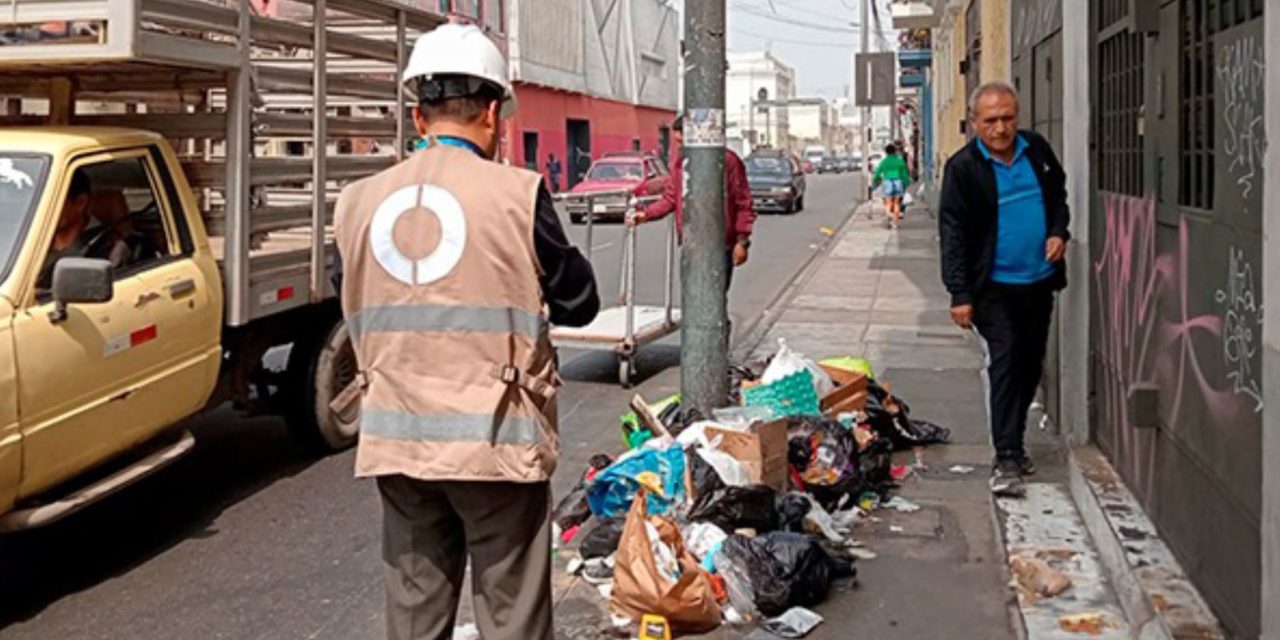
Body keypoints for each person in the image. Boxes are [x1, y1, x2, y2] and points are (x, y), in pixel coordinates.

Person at [332, 24, 599, 640]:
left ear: (417, 117)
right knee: (513, 614)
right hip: (495, 443)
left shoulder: (359, 201)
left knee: (415, 614)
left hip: (396, 441)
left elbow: (355, 290)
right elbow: (580, 303)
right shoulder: (516, 194)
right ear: (495, 114)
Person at [938, 81, 1070, 497]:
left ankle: (1015, 442)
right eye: (991, 120)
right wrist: (959, 293)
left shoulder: (1036, 150)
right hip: (992, 287)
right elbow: (953, 234)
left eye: (1008, 118)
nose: (1000, 128)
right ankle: (1007, 455)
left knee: (1031, 363)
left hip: (1038, 281)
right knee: (1007, 361)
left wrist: (1057, 231)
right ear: (975, 123)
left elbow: (1058, 197)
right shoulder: (963, 168)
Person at [629, 114, 756, 291]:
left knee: (715, 298)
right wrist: (646, 215)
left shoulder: (728, 161)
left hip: (721, 245)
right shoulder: (681, 164)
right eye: (677, 142)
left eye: (682, 142)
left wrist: (742, 242)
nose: (679, 147)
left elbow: (743, 202)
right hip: (691, 243)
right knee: (691, 297)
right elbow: (671, 198)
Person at [37, 171, 129, 290]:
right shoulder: (30, 242)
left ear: (81, 203)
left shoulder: (108, 249)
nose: (42, 210)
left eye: (52, 203)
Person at [871, 143, 911, 229]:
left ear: (886, 152)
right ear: (895, 151)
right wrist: (906, 183)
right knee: (897, 203)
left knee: (888, 202)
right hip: (898, 181)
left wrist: (874, 180)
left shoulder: (885, 161)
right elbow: (904, 173)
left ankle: (888, 216)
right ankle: (895, 223)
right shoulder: (900, 161)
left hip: (887, 181)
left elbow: (878, 172)